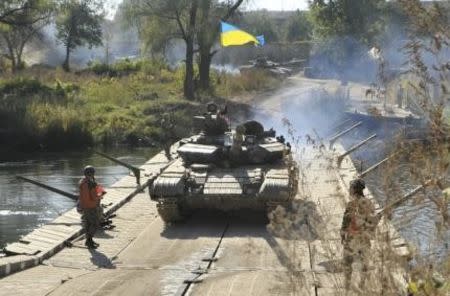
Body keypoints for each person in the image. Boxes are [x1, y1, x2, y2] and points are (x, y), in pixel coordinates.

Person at [340, 178, 378, 290]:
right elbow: (373, 221)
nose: (349, 190)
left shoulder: (351, 204)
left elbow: (345, 222)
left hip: (352, 238)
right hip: (365, 239)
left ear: (354, 190)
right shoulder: (370, 203)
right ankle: (362, 284)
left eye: (351, 188)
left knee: (347, 261)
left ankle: (347, 285)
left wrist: (342, 235)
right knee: (364, 263)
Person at [79, 165, 105, 249]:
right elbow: (95, 196)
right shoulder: (92, 183)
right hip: (92, 207)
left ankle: (89, 241)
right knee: (95, 224)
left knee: (87, 224)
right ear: (92, 173)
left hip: (84, 206)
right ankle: (89, 241)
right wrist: (100, 195)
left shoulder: (82, 182)